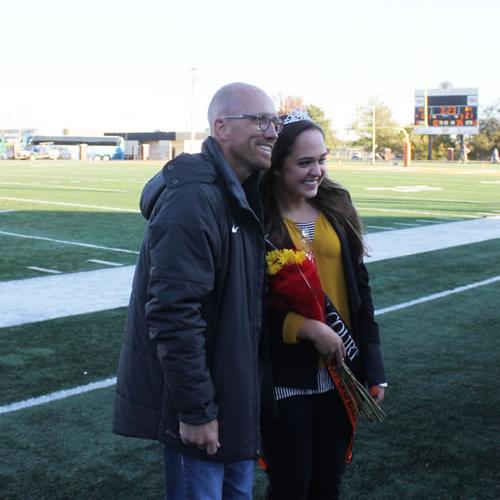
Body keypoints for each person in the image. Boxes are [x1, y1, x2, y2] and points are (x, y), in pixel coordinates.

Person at [112, 82, 282, 499]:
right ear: (221, 127)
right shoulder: (194, 200)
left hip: (233, 401)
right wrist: (196, 411)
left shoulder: (239, 193)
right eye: (259, 120)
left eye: (274, 120)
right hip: (207, 410)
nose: (272, 131)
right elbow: (174, 314)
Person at [260, 109, 387, 500]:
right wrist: (303, 328)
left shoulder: (336, 207)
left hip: (340, 373)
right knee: (291, 485)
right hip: (287, 378)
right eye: (304, 162)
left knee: (328, 484)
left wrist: (373, 362)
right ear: (276, 166)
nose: (317, 171)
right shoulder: (257, 222)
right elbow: (247, 306)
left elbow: (360, 292)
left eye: (322, 159)